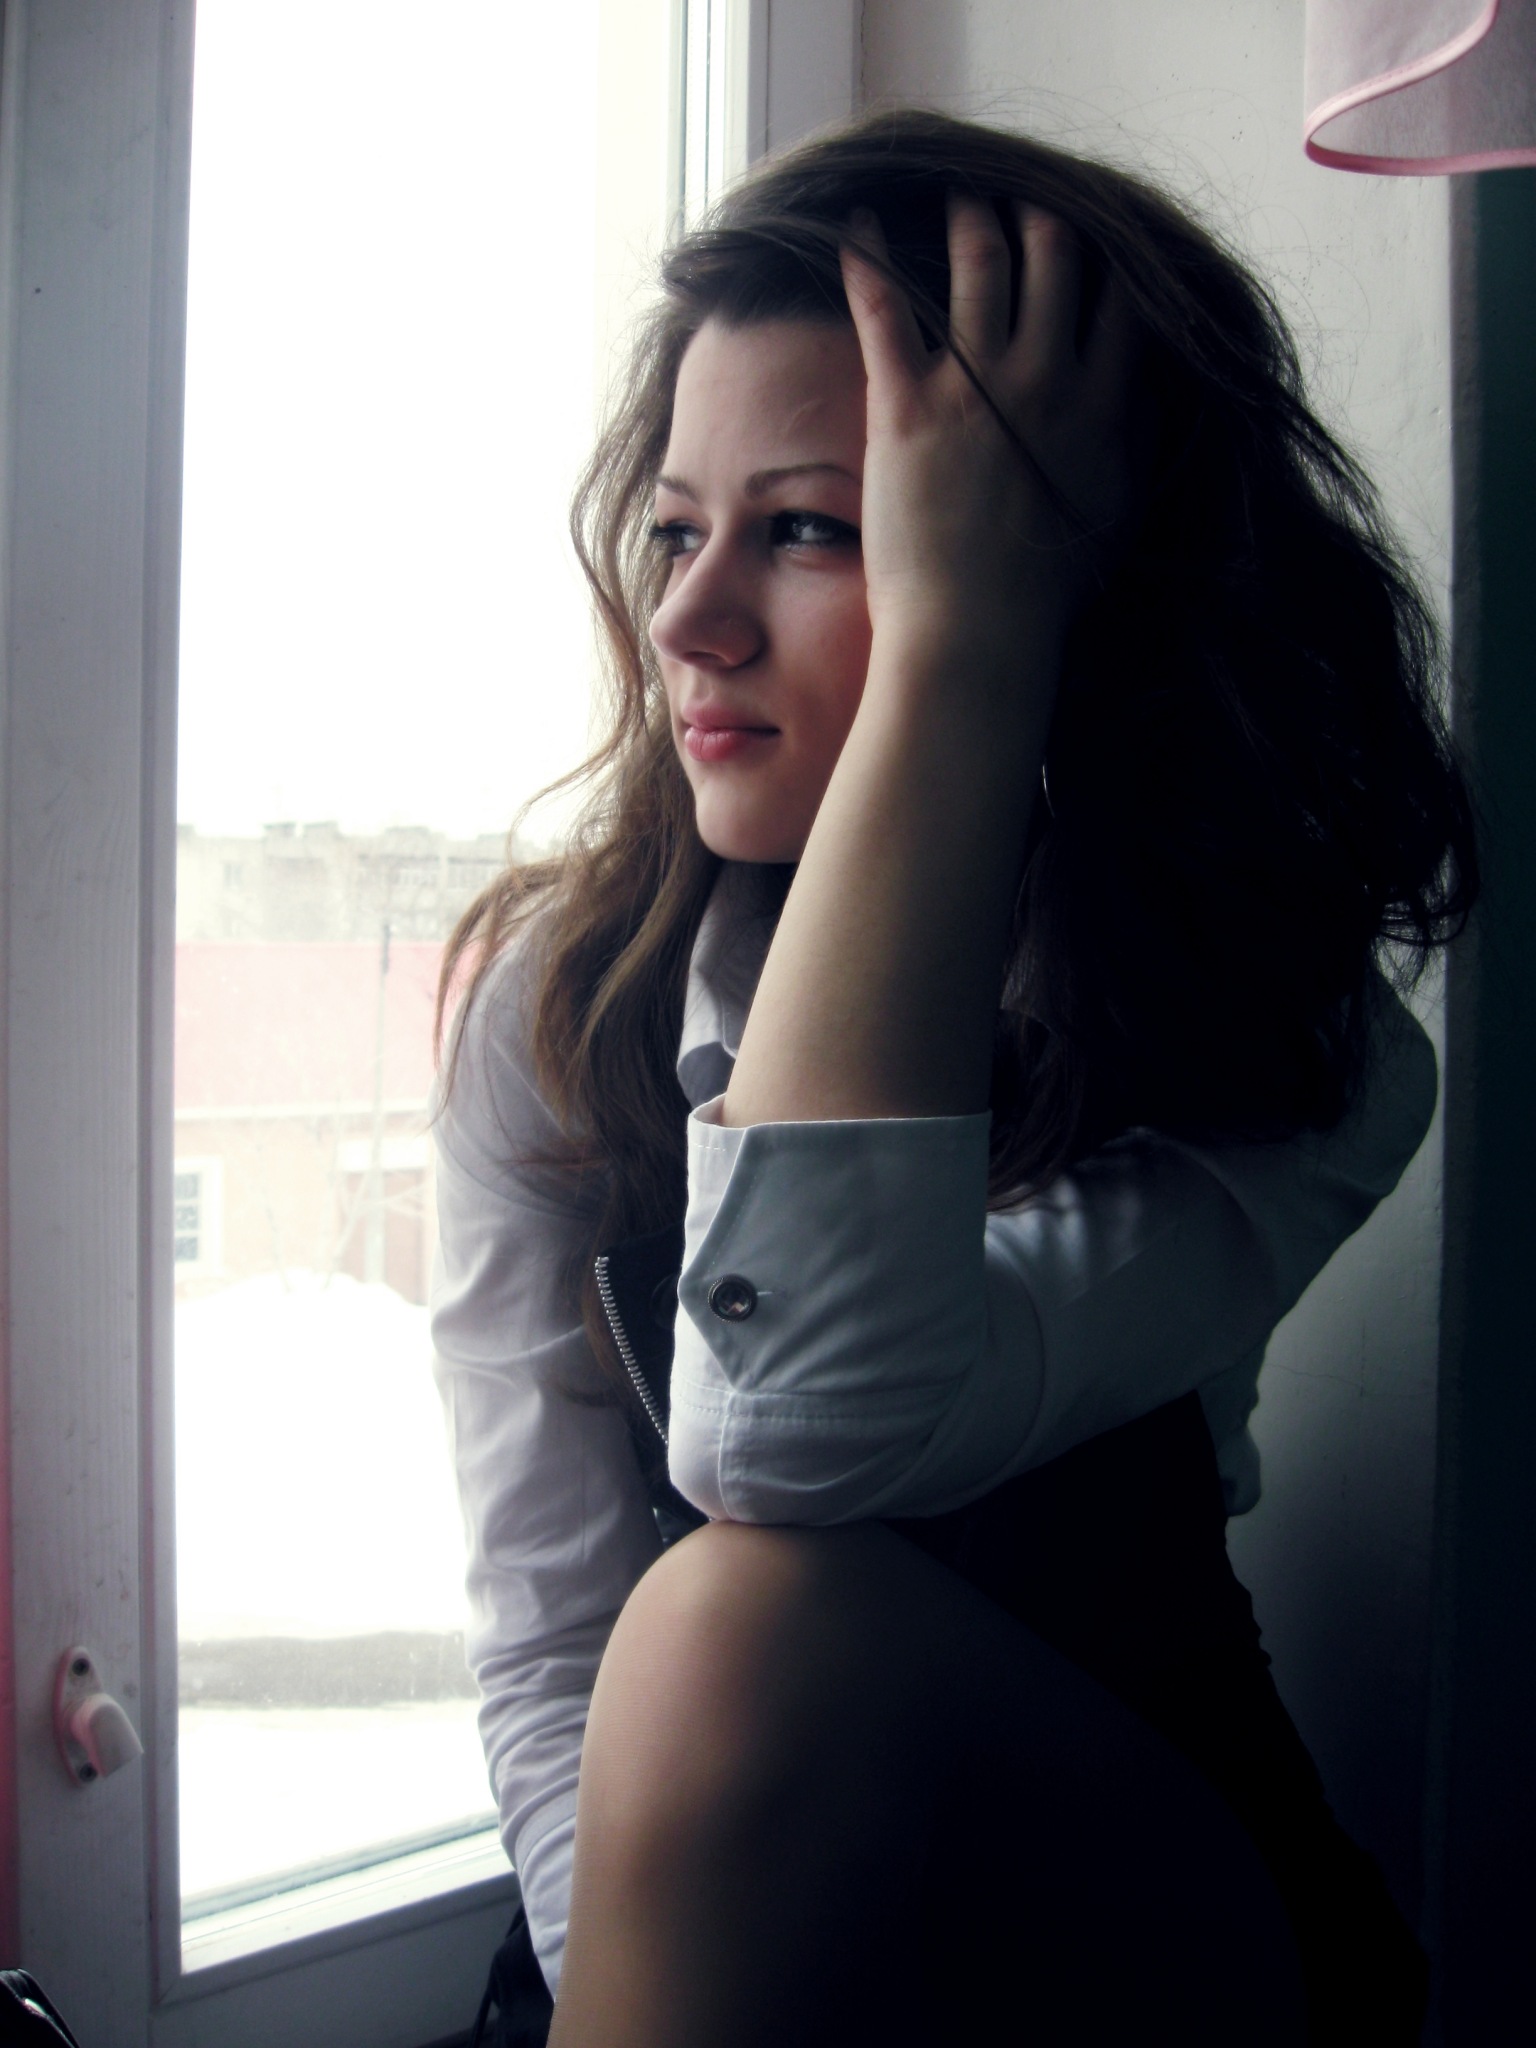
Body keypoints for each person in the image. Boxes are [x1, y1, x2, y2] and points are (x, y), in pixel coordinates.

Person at [431, 108, 1475, 2046]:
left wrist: (960, 655)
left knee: (739, 1612)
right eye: (676, 526)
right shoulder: (555, 1014)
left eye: (813, 527)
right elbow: (553, 1635)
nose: (688, 620)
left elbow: (786, 1434)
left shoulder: (1301, 1054)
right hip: (685, 1903)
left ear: (1070, 571)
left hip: (1138, 1915)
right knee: (688, 1654)